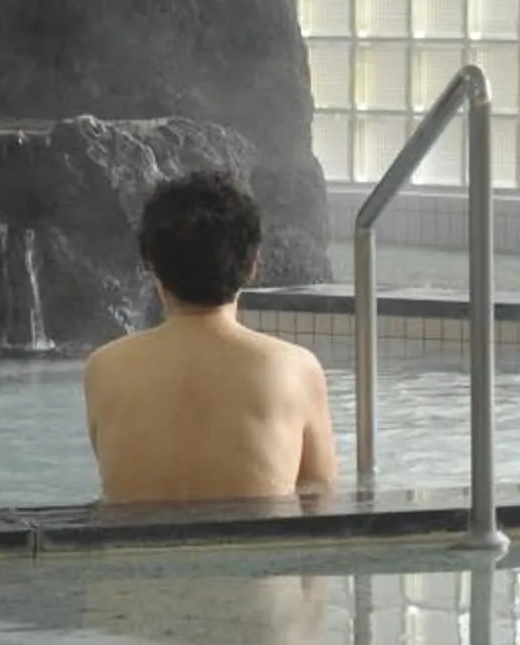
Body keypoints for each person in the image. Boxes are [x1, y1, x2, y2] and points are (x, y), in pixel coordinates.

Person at [84, 171, 337, 504]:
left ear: (152, 267)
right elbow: (320, 498)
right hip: (254, 551)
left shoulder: (104, 368)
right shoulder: (295, 369)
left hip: (133, 553)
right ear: (252, 266)